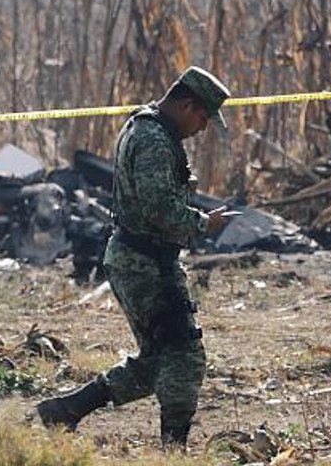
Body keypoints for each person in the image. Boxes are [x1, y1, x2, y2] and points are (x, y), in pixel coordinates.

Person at [36, 66, 235, 449]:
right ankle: (173, 452)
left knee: (160, 358)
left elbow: (151, 193)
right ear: (186, 105)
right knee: (184, 357)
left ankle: (66, 410)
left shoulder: (149, 126)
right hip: (146, 263)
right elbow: (158, 210)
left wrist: (181, 185)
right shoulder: (154, 139)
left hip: (141, 258)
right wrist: (203, 222)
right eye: (203, 117)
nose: (203, 128)